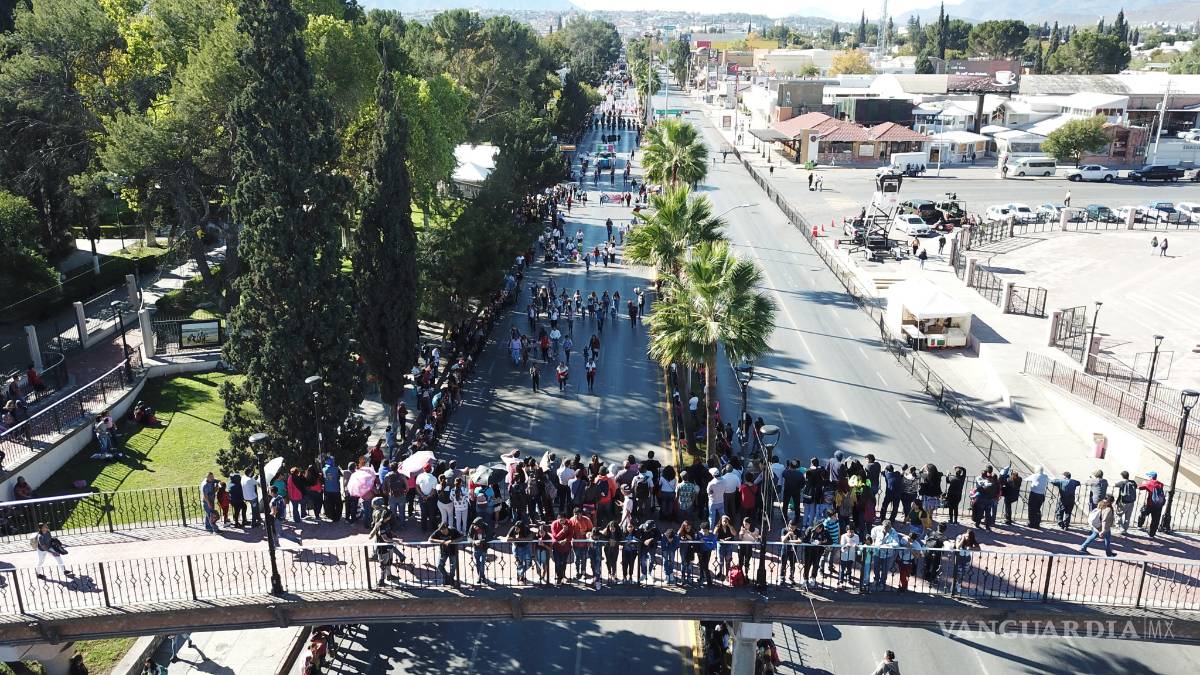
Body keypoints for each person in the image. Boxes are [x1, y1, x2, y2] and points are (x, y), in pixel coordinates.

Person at [428, 521, 463, 586]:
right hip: (443, 551)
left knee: (453, 566)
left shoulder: (452, 530)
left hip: (453, 551)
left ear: (447, 528)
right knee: (439, 565)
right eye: (442, 531)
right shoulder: (438, 531)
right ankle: (446, 577)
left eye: (445, 530)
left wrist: (451, 541)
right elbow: (430, 539)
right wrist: (441, 541)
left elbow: (461, 538)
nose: (443, 532)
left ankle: (451, 578)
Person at [1137, 471, 1167, 538]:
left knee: (1143, 513)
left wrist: (1143, 483)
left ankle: (1139, 525)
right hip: (1159, 505)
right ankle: (1152, 534)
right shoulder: (1160, 484)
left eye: (1149, 476)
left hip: (1150, 504)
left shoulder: (1149, 483)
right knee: (1155, 520)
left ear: (1151, 477)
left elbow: (1140, 487)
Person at [1112, 470, 1138, 535]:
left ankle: (1121, 528)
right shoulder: (1133, 482)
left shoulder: (1122, 482)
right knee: (1128, 517)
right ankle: (1125, 529)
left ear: (1122, 476)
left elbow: (1114, 484)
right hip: (1131, 502)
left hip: (1123, 502)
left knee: (1118, 515)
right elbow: (1136, 486)